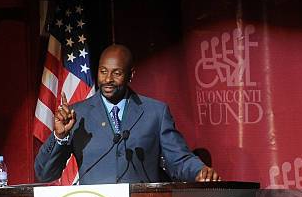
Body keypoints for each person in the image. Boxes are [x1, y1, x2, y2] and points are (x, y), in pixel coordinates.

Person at [34, 44, 220, 184]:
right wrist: (60, 136)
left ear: (130, 75)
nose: (107, 79)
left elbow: (179, 159)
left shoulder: (155, 112)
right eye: (103, 72)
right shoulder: (77, 114)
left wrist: (200, 171)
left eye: (116, 73)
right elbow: (44, 173)